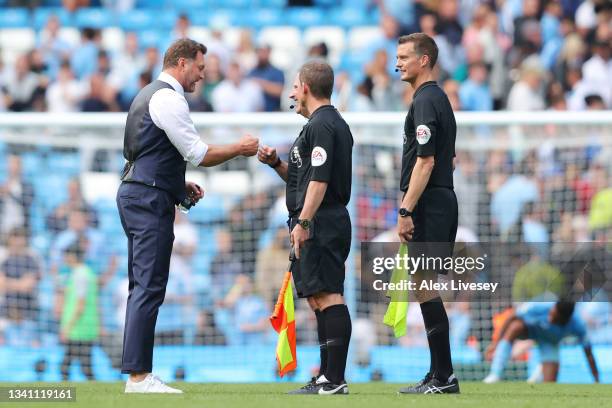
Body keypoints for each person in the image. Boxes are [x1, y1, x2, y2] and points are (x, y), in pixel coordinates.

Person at [117, 38, 258, 393]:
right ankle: (138, 377)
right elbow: (199, 153)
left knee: (144, 285)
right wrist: (240, 149)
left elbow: (149, 152)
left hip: (142, 192)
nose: (201, 76)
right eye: (199, 68)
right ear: (181, 64)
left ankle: (138, 373)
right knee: (149, 285)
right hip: (147, 199)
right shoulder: (167, 97)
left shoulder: (149, 94)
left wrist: (178, 186)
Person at [258, 61, 353, 395]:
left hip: (322, 220)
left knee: (329, 296)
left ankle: (335, 378)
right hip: (317, 217)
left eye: (295, 87)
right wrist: (276, 164)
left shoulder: (324, 125)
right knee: (317, 298)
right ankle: (327, 376)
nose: (292, 94)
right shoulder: (317, 125)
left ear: (308, 88)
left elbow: (321, 181)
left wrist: (304, 221)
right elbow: (306, 180)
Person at [395, 33, 460, 394]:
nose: (398, 62)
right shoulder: (436, 99)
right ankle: (439, 373)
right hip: (438, 199)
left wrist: (406, 209)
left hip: (430, 202)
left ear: (424, 60)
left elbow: (427, 160)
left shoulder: (425, 100)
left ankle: (443, 375)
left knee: (423, 285)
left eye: (405, 56)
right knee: (423, 285)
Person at [483, 301, 599, 383]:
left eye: (555, 318)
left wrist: (596, 379)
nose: (550, 319)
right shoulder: (539, 306)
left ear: (566, 320)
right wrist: (495, 344)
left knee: (549, 384)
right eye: (551, 314)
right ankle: (495, 374)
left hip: (550, 342)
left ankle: (539, 371)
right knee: (515, 326)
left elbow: (588, 352)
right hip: (531, 330)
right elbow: (510, 317)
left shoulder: (578, 324)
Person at [59, 237, 99, 381]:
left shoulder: (80, 275)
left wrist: (67, 327)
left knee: (67, 366)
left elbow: (80, 305)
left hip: (78, 329)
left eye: (66, 255)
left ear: (72, 256)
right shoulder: (85, 273)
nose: (64, 258)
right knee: (84, 367)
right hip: (85, 328)